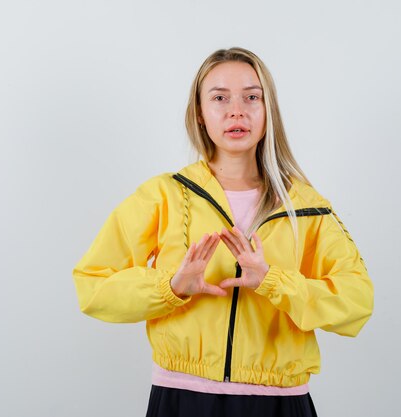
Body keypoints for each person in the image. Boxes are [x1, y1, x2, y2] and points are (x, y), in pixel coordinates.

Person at [73, 47, 374, 417]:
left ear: (268, 111)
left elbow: (357, 302)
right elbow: (92, 285)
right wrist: (171, 287)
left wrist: (272, 281)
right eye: (219, 98)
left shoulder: (306, 206)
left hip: (279, 404)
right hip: (182, 398)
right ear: (199, 113)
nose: (237, 111)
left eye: (252, 97)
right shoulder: (164, 195)